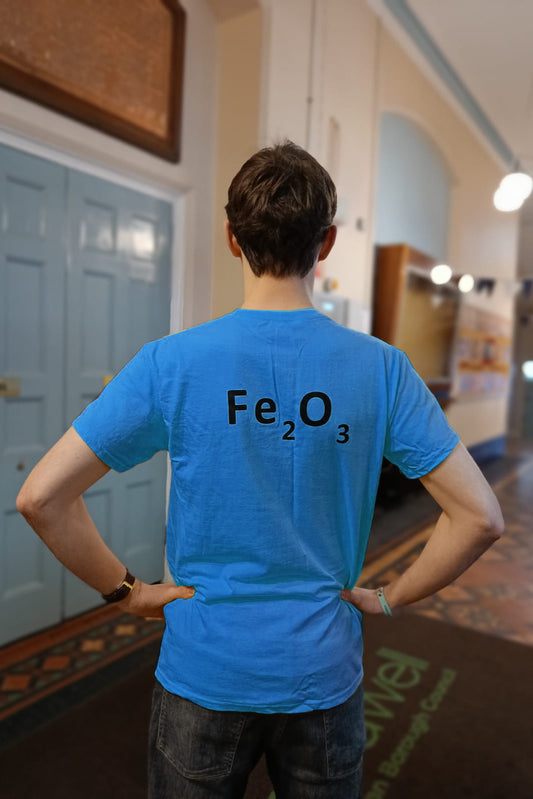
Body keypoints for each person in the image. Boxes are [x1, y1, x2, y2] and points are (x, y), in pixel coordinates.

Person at [17, 140, 504, 799]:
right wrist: (390, 596)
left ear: (231, 238)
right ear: (326, 243)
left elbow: (41, 497)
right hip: (322, 671)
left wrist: (128, 592)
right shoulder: (381, 369)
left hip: (204, 668)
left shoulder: (171, 362)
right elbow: (480, 517)